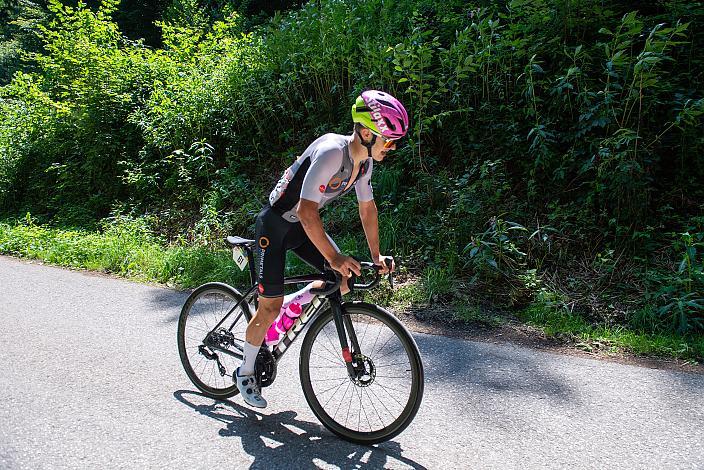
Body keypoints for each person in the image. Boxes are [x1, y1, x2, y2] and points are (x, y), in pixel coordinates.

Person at [235, 90, 409, 408]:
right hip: (275, 226)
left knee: (340, 280)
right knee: (269, 308)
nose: (393, 146)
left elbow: (367, 209)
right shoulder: (332, 151)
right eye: (390, 139)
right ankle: (245, 372)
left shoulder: (364, 165)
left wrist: (375, 256)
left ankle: (292, 304)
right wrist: (333, 256)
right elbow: (305, 211)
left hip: (303, 228)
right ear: (368, 132)